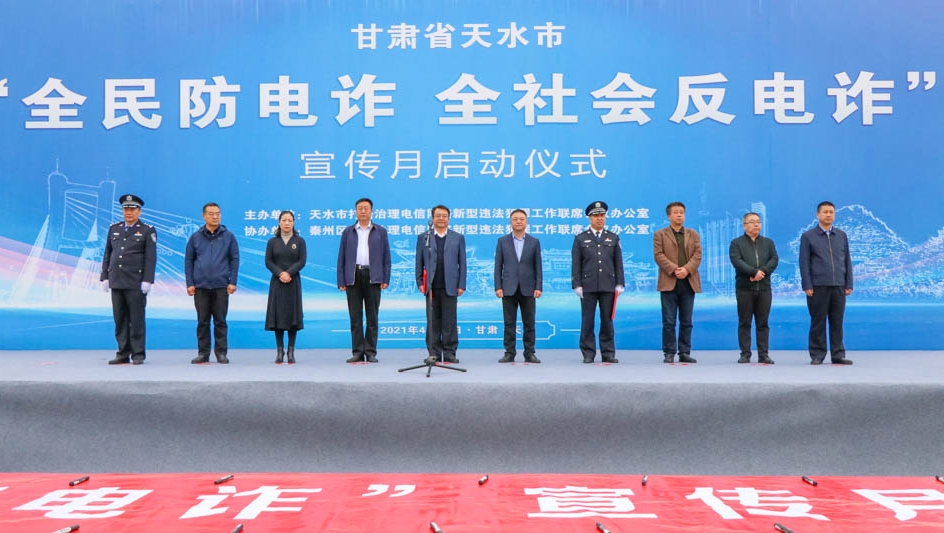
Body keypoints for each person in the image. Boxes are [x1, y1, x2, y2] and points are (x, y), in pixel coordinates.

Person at [101, 194, 157, 365]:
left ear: (139, 211)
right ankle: (122, 353)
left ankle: (138, 354)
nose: (129, 212)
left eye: (132, 209)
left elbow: (150, 258)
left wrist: (147, 280)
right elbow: (108, 254)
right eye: (126, 209)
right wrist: (104, 276)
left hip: (135, 282)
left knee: (136, 319)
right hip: (117, 281)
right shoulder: (114, 228)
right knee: (120, 319)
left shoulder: (147, 230)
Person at [337, 198, 391, 363]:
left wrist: (385, 278)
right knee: (355, 317)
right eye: (360, 208)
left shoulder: (380, 231)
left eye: (366, 208)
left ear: (371, 211)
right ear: (355, 211)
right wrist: (341, 280)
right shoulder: (348, 232)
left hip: (373, 276)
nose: (363, 211)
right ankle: (357, 352)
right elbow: (341, 258)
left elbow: (386, 258)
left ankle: (371, 352)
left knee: (372, 317)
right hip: (353, 276)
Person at [799, 201, 854, 365]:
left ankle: (838, 354)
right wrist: (807, 284)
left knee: (837, 322)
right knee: (818, 322)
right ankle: (817, 354)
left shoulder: (841, 235)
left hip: (839, 285)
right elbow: (804, 262)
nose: (828, 215)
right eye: (825, 212)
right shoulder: (808, 236)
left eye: (831, 212)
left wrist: (848, 283)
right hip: (817, 286)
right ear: (818, 215)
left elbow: (847, 260)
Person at [185, 202, 239, 364]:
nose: (215, 217)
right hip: (200, 286)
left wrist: (233, 281)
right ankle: (203, 353)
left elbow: (234, 259)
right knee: (202, 321)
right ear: (204, 216)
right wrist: (190, 283)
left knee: (220, 321)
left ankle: (221, 352)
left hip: (221, 285)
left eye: (218, 213)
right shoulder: (195, 237)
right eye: (211, 214)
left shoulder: (228, 236)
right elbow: (189, 261)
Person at [571, 201, 625, 364]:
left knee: (607, 321)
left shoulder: (613, 237)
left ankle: (608, 353)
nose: (599, 219)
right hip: (587, 286)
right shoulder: (581, 238)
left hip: (608, 286)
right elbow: (576, 264)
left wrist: (620, 283)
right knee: (587, 321)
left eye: (602, 215)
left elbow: (618, 263)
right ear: (590, 218)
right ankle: (588, 353)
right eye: (596, 216)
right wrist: (577, 285)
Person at [415, 205, 466, 364]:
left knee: (450, 321)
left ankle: (450, 353)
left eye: (444, 216)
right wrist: (419, 282)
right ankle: (434, 353)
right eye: (438, 216)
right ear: (432, 218)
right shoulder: (424, 237)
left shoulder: (458, 238)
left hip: (450, 286)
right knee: (433, 322)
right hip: (430, 286)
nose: (441, 219)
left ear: (449, 218)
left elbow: (463, 263)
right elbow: (419, 262)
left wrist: (461, 284)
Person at [653, 201, 702, 364]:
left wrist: (686, 269)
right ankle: (669, 352)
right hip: (669, 281)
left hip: (688, 281)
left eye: (682, 212)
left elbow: (697, 255)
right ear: (669, 216)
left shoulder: (693, 234)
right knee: (669, 321)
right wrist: (675, 269)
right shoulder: (660, 234)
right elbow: (658, 255)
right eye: (676, 212)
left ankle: (684, 352)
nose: (679, 215)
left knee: (687, 321)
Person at [729, 212, 779, 364]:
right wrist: (753, 272)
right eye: (752, 222)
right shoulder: (736, 243)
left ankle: (763, 354)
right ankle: (745, 354)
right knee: (745, 322)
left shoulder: (768, 243)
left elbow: (774, 259)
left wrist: (761, 272)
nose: (756, 224)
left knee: (763, 323)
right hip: (745, 289)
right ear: (744, 225)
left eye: (758, 221)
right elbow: (737, 261)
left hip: (764, 288)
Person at [494, 209, 543, 363]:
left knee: (529, 323)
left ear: (526, 222)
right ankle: (509, 352)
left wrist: (538, 286)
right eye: (515, 219)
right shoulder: (502, 241)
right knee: (509, 323)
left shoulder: (534, 242)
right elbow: (498, 266)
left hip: (529, 288)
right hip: (508, 288)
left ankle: (529, 353)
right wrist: (498, 286)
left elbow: (538, 266)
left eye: (522, 219)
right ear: (511, 222)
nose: (518, 221)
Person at [265, 210, 306, 364]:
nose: (287, 223)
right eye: (284, 220)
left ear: (293, 222)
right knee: (278, 316)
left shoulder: (299, 241)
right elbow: (268, 262)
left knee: (292, 316)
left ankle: (291, 351)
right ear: (279, 222)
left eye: (290, 220)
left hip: (293, 282)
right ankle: (279, 350)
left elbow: (302, 261)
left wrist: (289, 273)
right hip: (277, 282)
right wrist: (280, 273)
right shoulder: (272, 242)